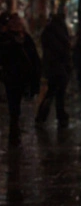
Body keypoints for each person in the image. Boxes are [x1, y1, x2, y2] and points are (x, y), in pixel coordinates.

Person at [0, 13, 42, 141]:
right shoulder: (11, 39)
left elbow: (33, 57)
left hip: (17, 76)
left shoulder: (14, 38)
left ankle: (15, 126)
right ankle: (14, 127)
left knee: (15, 101)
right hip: (16, 76)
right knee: (15, 101)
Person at [35, 11, 73, 128]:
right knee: (57, 93)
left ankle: (45, 115)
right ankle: (56, 115)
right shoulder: (60, 32)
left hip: (52, 67)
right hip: (59, 67)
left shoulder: (48, 31)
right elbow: (63, 50)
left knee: (52, 92)